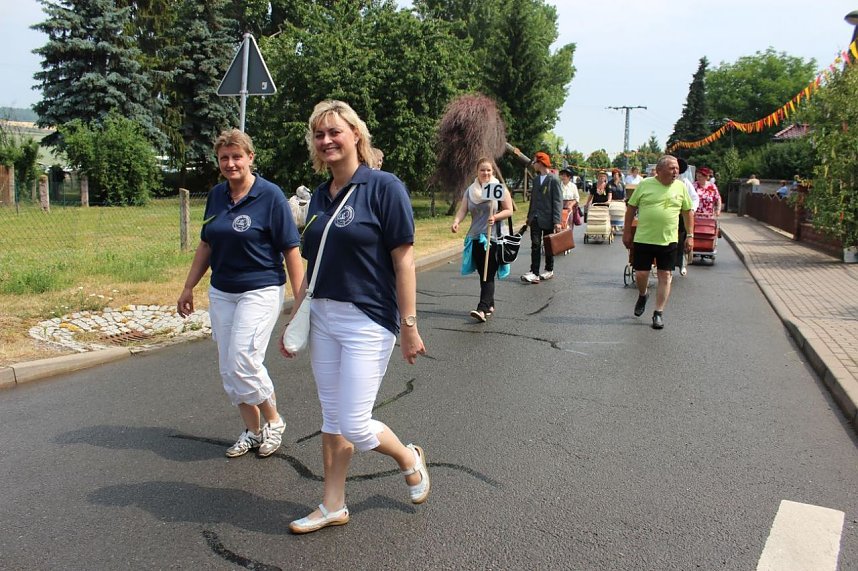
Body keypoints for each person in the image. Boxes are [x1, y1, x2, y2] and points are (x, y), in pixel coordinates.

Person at [280, 100, 429, 534]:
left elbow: (404, 260)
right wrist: (295, 316)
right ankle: (332, 505)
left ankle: (408, 457)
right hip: (323, 317)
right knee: (332, 418)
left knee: (355, 423)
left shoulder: (384, 187)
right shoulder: (318, 197)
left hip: (368, 319)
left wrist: (409, 325)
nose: (326, 140)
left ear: (355, 135)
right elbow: (313, 266)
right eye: (319, 134)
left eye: (335, 132)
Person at [178, 129, 304, 459]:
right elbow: (206, 244)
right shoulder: (217, 195)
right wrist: (188, 286)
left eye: (237, 156)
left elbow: (291, 250)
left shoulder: (270, 196)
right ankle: (252, 430)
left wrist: (300, 301)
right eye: (224, 158)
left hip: (261, 289)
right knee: (228, 367)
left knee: (244, 359)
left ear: (250, 158)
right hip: (222, 291)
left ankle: (274, 421)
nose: (231, 163)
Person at [622, 155, 693, 330]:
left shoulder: (681, 187)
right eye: (672, 168)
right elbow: (631, 208)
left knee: (665, 275)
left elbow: (687, 211)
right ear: (659, 170)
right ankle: (643, 294)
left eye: (677, 169)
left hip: (668, 239)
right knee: (641, 274)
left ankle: (658, 313)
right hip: (644, 238)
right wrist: (627, 231)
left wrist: (690, 235)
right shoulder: (645, 185)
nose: (676, 172)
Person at [451, 158, 514, 322]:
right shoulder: (470, 191)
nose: (485, 173)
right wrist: (456, 222)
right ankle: (490, 303)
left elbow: (509, 210)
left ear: (493, 172)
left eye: (488, 170)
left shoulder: (498, 188)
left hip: (492, 237)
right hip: (475, 236)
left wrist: (496, 217)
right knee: (483, 272)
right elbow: (463, 210)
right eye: (482, 170)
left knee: (488, 272)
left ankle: (482, 308)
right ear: (477, 171)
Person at [521, 151, 562, 284]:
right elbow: (533, 200)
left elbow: (557, 201)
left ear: (541, 163)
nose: (533, 164)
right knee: (535, 244)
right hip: (535, 218)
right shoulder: (536, 180)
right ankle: (534, 272)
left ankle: (549, 269)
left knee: (548, 245)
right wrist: (529, 217)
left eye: (535, 162)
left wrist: (557, 221)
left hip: (549, 218)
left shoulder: (554, 180)